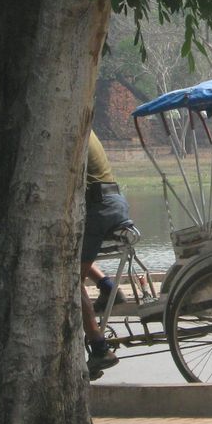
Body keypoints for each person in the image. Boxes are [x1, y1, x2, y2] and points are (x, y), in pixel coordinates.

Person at [82, 131, 130, 378]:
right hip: (114, 202)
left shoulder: (71, 128)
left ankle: (99, 347)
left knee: (69, 281)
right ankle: (108, 286)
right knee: (76, 259)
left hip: (97, 207)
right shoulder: (88, 130)